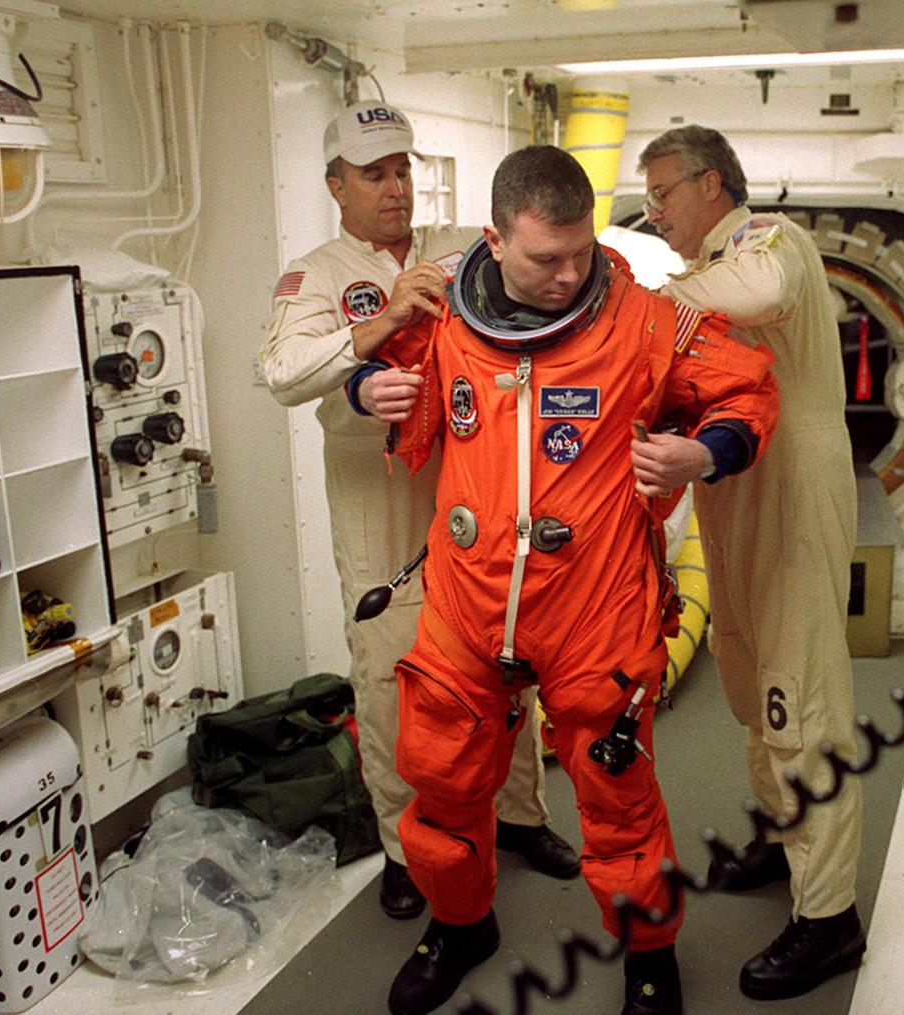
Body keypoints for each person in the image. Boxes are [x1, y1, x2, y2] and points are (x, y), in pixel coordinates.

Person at [363, 144, 778, 1015]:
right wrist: (372, 388)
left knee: (618, 802)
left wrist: (705, 450)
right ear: (495, 239)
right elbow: (380, 363)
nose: (567, 274)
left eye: (581, 252)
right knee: (439, 778)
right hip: (468, 601)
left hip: (596, 604)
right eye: (545, 258)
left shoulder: (646, 322)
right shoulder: (445, 313)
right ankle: (460, 922)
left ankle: (649, 957)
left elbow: (744, 392)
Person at [259, 101, 578, 923]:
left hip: (479, 478)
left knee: (505, 659)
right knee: (391, 675)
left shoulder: (463, 249)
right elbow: (284, 372)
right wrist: (374, 341)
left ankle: (518, 817)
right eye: (375, 173)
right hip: (379, 495)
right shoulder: (318, 272)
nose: (396, 186)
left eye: (403, 167)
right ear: (336, 185)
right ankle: (407, 847)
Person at [635, 125, 866, 1001]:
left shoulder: (770, 242)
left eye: (664, 192)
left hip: (793, 492)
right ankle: (781, 835)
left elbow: (760, 291)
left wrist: (657, 294)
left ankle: (829, 916)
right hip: (730, 488)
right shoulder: (698, 286)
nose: (654, 210)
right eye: (649, 196)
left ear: (713, 184)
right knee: (745, 677)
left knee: (800, 696)